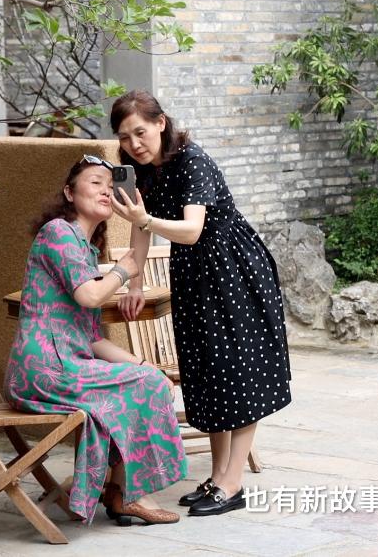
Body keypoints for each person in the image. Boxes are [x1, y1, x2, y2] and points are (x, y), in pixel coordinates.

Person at [109, 90, 292, 516]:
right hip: (194, 275)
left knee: (237, 370)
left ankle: (233, 481)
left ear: (161, 123)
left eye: (140, 132)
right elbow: (139, 235)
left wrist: (144, 219)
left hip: (233, 269)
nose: (134, 143)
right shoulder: (142, 172)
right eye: (124, 137)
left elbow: (191, 230)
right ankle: (215, 476)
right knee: (207, 372)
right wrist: (134, 284)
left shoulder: (193, 161)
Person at [5, 155, 188, 525]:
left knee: (148, 380)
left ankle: (118, 491)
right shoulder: (58, 232)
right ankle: (128, 494)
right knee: (146, 385)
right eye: (95, 183)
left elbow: (91, 339)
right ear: (69, 193)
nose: (105, 190)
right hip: (43, 369)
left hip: (66, 364)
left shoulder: (84, 249)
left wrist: (144, 365)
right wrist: (123, 272)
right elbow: (89, 296)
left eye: (110, 186)